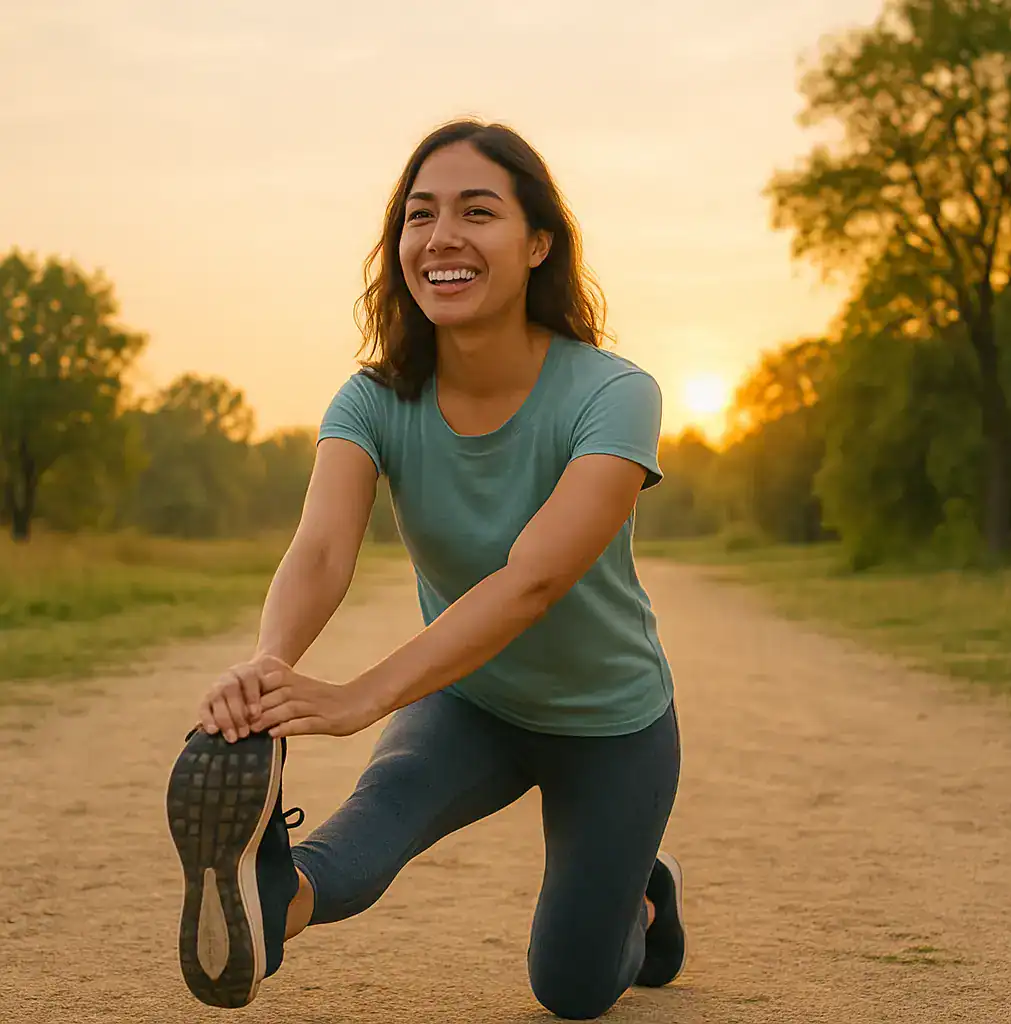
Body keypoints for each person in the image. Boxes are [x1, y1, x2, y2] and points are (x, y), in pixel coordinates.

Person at [165, 118, 686, 1021]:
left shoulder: (614, 394)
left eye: (476, 212)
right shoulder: (372, 399)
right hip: (472, 700)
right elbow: (323, 548)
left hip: (611, 726)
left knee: (572, 988)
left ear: (537, 244)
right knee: (375, 826)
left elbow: (532, 579)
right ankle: (271, 902)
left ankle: (644, 893)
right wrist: (270, 665)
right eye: (419, 215)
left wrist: (362, 696)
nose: (441, 236)